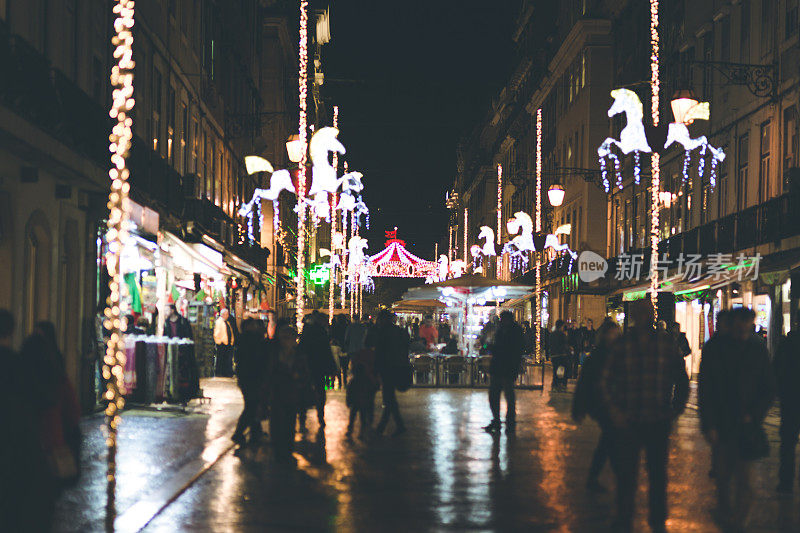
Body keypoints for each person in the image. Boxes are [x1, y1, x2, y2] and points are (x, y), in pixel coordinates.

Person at [601, 300, 689, 533]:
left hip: (658, 419)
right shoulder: (623, 345)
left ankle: (657, 519)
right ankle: (624, 518)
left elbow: (681, 378)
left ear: (651, 315)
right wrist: (614, 411)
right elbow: (607, 381)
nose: (642, 316)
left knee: (657, 474)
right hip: (629, 419)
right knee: (626, 474)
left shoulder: (665, 343)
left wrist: (675, 409)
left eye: (646, 312)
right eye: (639, 312)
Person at [700, 307, 775, 528]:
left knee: (747, 481)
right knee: (723, 477)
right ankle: (726, 514)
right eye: (740, 325)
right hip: (723, 424)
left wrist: (754, 415)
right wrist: (709, 424)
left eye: (748, 325)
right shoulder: (716, 349)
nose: (744, 330)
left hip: (746, 425)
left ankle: (737, 523)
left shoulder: (757, 349)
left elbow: (769, 387)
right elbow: (706, 389)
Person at [20, 321, 81, 531]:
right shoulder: (58, 379)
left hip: (23, 451)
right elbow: (73, 415)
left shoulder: (17, 381)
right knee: (46, 508)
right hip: (51, 448)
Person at [572, 318, 621, 492]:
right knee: (610, 438)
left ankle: (601, 477)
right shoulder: (601, 356)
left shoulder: (616, 354)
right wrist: (578, 406)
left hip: (611, 404)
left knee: (609, 439)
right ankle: (619, 478)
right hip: (602, 404)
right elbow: (585, 383)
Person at [268, 319, 310, 462]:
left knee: (289, 421)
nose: (288, 341)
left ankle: (287, 448)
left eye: (290, 338)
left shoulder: (298, 356)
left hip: (292, 393)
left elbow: (304, 374)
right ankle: (278, 449)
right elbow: (268, 374)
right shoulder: (274, 354)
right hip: (277, 392)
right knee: (277, 421)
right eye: (285, 338)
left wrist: (299, 379)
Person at [366, 310, 409, 436]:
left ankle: (386, 426)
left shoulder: (382, 332)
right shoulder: (399, 332)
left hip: (387, 367)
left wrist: (375, 368)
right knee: (389, 397)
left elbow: (377, 350)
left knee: (388, 396)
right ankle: (393, 425)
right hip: (398, 366)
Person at [483, 311, 525, 435]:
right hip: (500, 367)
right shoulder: (501, 330)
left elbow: (512, 349)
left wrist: (490, 347)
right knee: (496, 396)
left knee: (507, 395)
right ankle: (499, 421)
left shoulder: (513, 332)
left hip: (507, 367)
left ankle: (508, 422)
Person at [298, 311, 337, 432]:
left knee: (305, 392)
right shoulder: (321, 332)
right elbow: (326, 351)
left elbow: (301, 348)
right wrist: (332, 368)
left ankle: (302, 419)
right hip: (318, 367)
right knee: (320, 392)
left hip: (307, 366)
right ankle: (320, 417)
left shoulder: (307, 331)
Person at [231, 318, 269, 446]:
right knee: (251, 405)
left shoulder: (246, 339)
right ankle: (238, 432)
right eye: (252, 325)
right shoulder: (251, 340)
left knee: (253, 403)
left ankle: (255, 431)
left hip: (247, 377)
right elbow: (255, 359)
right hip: (252, 377)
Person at [775, 318, 800, 493]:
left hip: (790, 397)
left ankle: (786, 481)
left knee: (788, 442)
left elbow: (776, 368)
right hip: (790, 396)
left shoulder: (787, 343)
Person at [345, 345, 379, 440]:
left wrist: (348, 401)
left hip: (355, 403)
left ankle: (350, 429)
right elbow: (370, 389)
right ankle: (362, 431)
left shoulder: (353, 382)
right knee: (363, 417)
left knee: (353, 416)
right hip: (363, 402)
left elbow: (349, 392)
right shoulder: (366, 380)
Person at [344, 316, 368, 387]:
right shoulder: (363, 327)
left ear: (353, 319)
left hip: (352, 348)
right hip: (361, 348)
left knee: (353, 363)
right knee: (361, 363)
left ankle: (354, 378)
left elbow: (346, 338)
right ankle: (361, 378)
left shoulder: (350, 327)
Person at [213, 308, 236, 377]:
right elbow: (216, 333)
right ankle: (220, 372)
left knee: (227, 359)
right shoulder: (219, 322)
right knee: (221, 359)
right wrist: (219, 342)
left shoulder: (227, 322)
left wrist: (231, 341)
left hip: (227, 344)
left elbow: (230, 332)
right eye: (226, 314)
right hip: (222, 344)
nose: (227, 316)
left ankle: (227, 372)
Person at [549, 320, 569, 391]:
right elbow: (565, 344)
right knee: (565, 369)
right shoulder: (562, 334)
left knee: (555, 370)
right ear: (561, 326)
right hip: (561, 355)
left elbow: (550, 344)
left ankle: (555, 384)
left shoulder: (552, 334)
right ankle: (563, 384)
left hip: (554, 355)